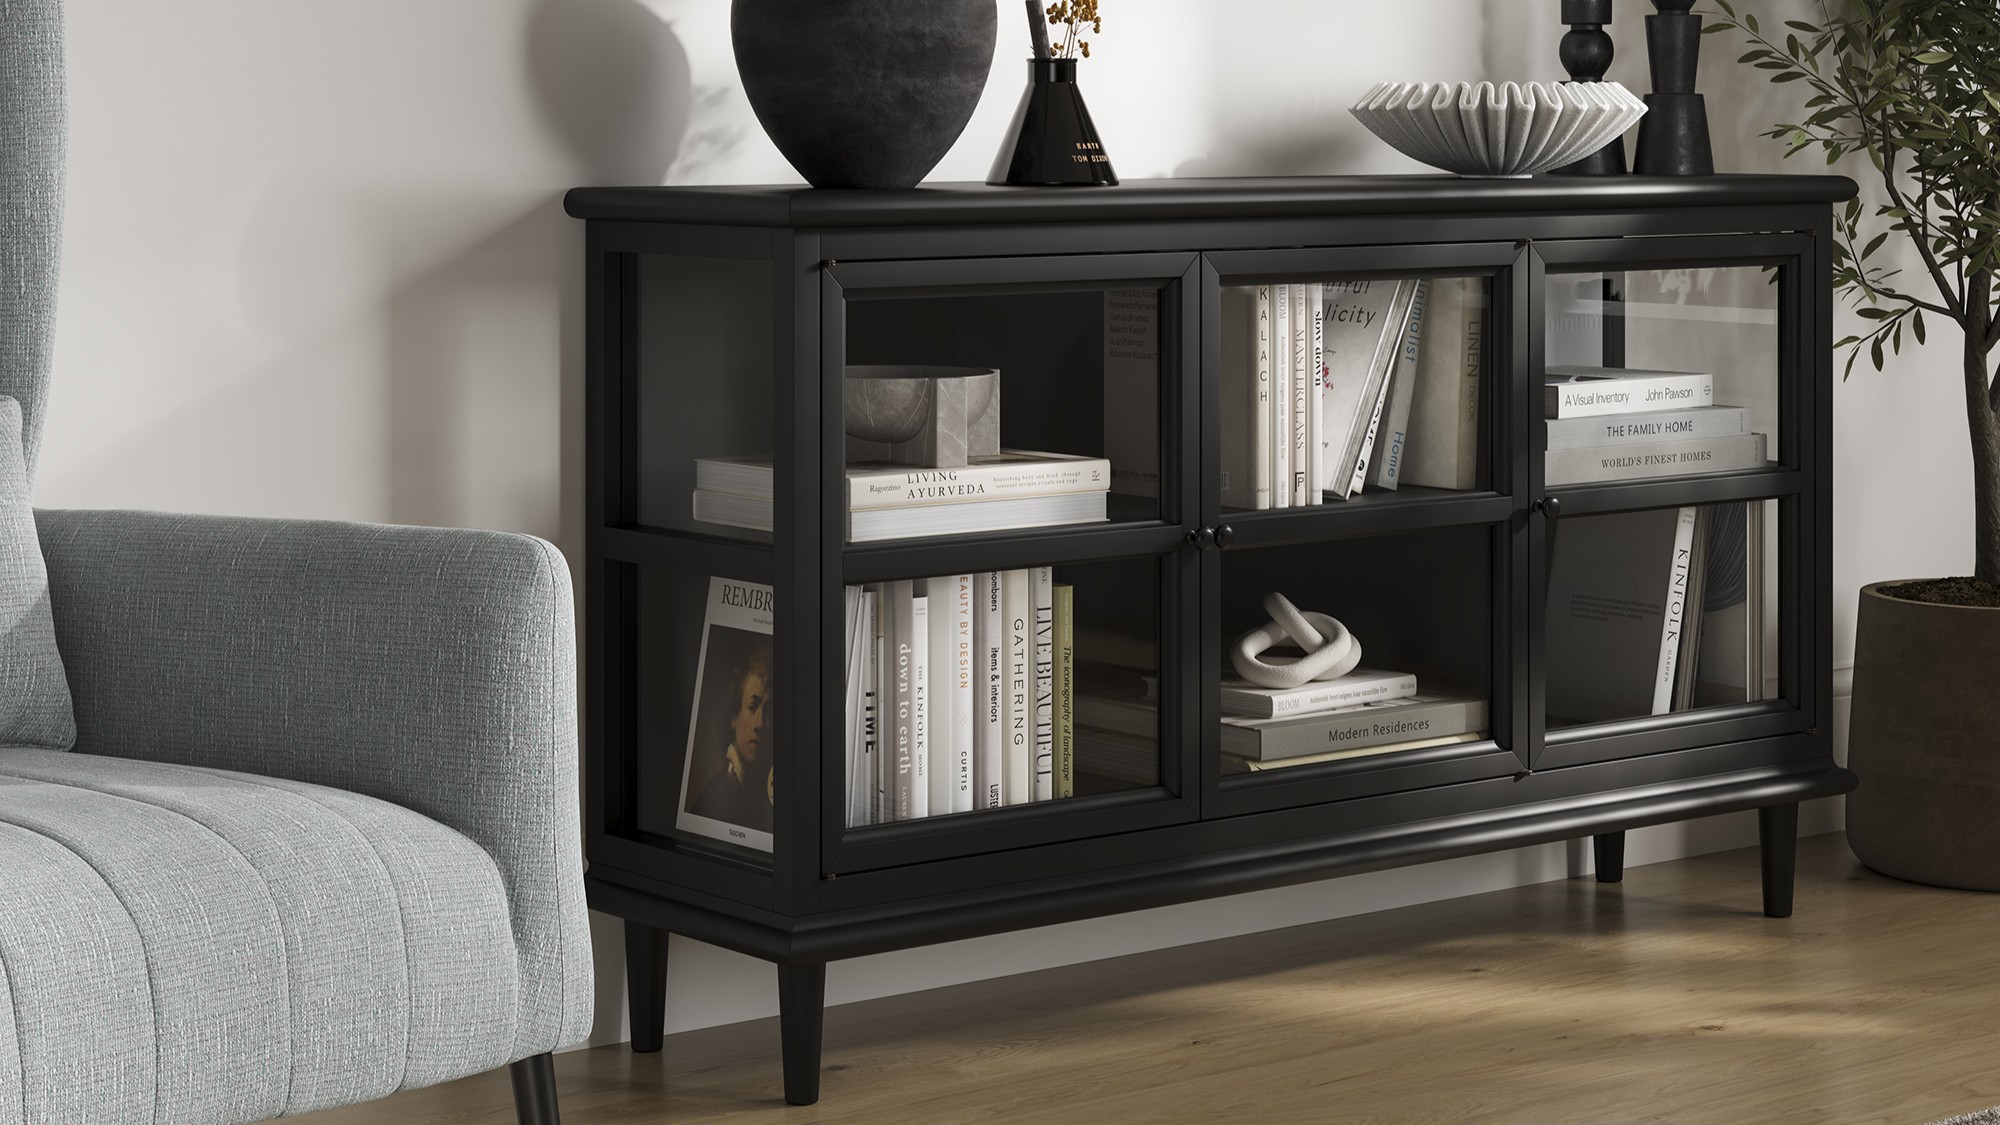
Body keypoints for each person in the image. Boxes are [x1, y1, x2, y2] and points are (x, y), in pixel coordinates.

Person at [687, 644, 774, 833]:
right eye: (752, 707)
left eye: (768, 712)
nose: (759, 724)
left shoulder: (766, 790)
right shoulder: (715, 795)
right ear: (733, 716)